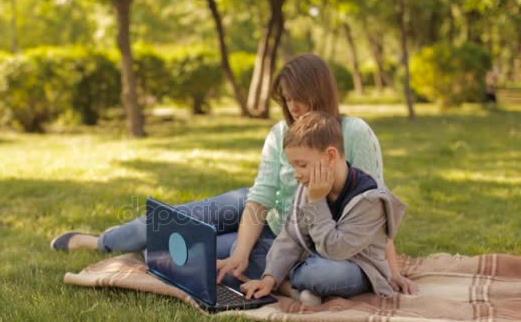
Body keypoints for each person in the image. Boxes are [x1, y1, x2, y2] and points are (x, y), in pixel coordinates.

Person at [50, 54, 417, 294]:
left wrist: (391, 266)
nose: (292, 106)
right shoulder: (280, 134)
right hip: (261, 210)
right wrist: (242, 251)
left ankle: (268, 271)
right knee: (172, 222)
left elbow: (375, 206)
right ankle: (103, 241)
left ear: (319, 92)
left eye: (298, 97)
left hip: (300, 236)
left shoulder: (354, 133)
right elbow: (261, 195)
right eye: (286, 98)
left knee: (193, 252)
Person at [240, 111, 407, 305]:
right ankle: (293, 289)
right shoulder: (308, 186)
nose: (297, 174)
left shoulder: (369, 199)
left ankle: (293, 283)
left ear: (330, 156)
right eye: (293, 166)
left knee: (318, 274)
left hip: (354, 267)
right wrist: (269, 278)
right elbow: (291, 236)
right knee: (249, 251)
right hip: (312, 255)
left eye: (301, 165)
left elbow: (335, 251)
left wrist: (317, 202)